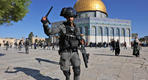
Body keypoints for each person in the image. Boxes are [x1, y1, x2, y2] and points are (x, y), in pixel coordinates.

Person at [41, 7, 83, 80]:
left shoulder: (76, 28)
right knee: (66, 71)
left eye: (72, 17)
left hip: (74, 52)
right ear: (66, 17)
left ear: (74, 17)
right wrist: (45, 24)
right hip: (65, 52)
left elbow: (79, 37)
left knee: (77, 70)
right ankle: (67, 78)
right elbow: (50, 32)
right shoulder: (62, 26)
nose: (70, 19)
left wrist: (81, 40)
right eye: (68, 17)